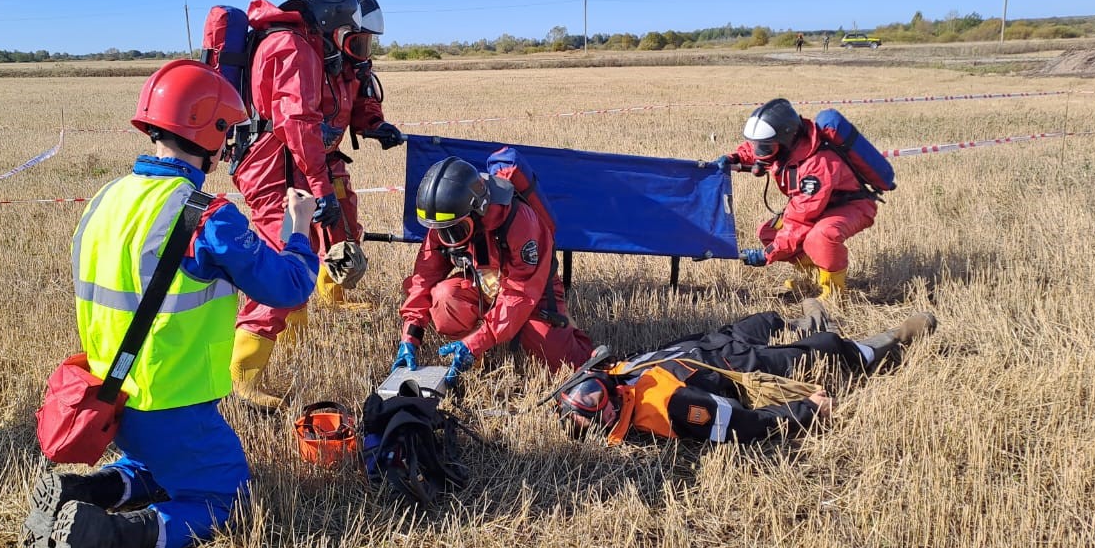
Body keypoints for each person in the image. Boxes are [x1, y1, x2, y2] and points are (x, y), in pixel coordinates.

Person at [22, 60, 320, 548]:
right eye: (228, 133)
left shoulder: (106, 199)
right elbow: (289, 287)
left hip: (113, 397)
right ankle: (108, 534)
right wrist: (299, 230)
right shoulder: (206, 215)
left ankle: (79, 492)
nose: (229, 147)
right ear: (211, 130)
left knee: (156, 467)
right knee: (226, 499)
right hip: (172, 399)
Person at [229, 0, 404, 410]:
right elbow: (297, 123)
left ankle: (320, 306)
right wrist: (319, 190)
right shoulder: (292, 47)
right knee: (280, 256)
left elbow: (345, 97)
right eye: (356, 39)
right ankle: (244, 377)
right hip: (276, 167)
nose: (361, 50)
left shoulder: (321, 49)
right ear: (335, 22)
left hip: (309, 159)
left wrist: (374, 125)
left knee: (339, 225)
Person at [556, 301, 937, 444]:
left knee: (766, 319)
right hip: (740, 368)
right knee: (827, 351)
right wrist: (806, 411)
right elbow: (741, 424)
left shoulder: (620, 373)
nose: (593, 387)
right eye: (591, 402)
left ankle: (807, 321)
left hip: (717, 342)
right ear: (606, 416)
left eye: (585, 386)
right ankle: (891, 341)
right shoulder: (671, 407)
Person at [393, 156, 594, 383]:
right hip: (483, 283)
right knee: (444, 297)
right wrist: (409, 337)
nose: (449, 239)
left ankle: (577, 346)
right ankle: (472, 356)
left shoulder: (520, 222)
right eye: (442, 231)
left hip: (531, 292)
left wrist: (478, 340)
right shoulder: (448, 220)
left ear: (478, 211)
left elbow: (519, 295)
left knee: (567, 363)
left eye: (456, 231)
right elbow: (423, 280)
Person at [713, 98, 878, 300]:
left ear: (785, 141)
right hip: (818, 206)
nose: (759, 153)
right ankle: (814, 275)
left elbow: (800, 219)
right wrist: (735, 158)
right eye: (758, 146)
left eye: (764, 148)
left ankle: (834, 291)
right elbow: (755, 148)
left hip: (850, 206)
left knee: (821, 236)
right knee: (769, 232)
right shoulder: (786, 146)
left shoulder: (816, 166)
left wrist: (768, 254)